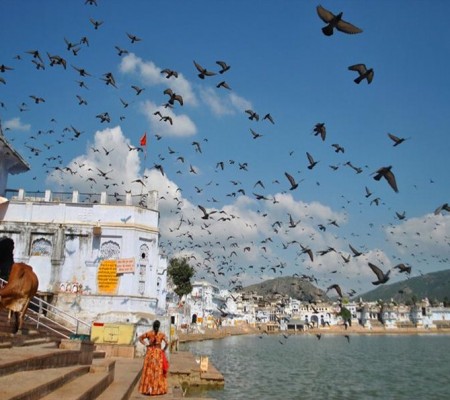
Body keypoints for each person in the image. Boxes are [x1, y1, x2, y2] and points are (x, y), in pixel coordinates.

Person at [138, 320, 170, 396]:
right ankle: (158, 390)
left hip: (150, 353)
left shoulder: (149, 333)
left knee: (149, 371)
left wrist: (146, 344)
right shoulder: (161, 334)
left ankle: (148, 389)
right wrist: (164, 350)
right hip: (158, 353)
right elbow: (167, 343)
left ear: (153, 326)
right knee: (158, 372)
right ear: (159, 326)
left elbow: (140, 338)